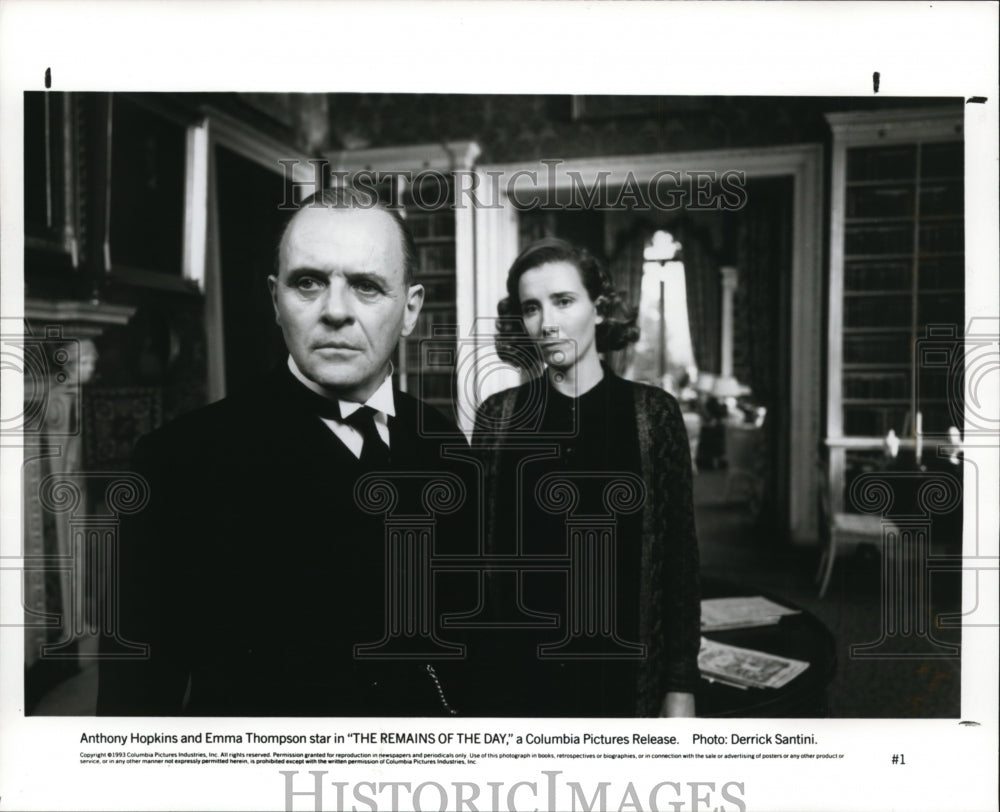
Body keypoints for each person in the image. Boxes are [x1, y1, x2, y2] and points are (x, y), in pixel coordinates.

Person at [97, 187, 472, 716]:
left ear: (410, 310)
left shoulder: (442, 441)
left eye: (365, 286)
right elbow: (133, 704)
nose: (335, 311)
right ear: (276, 299)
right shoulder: (178, 462)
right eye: (309, 283)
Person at [473, 238, 700, 717]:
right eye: (532, 308)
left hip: (622, 671)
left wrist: (680, 687)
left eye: (563, 301)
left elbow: (680, 558)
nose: (548, 323)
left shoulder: (653, 415)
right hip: (520, 677)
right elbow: (479, 559)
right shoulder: (498, 417)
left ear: (598, 310)